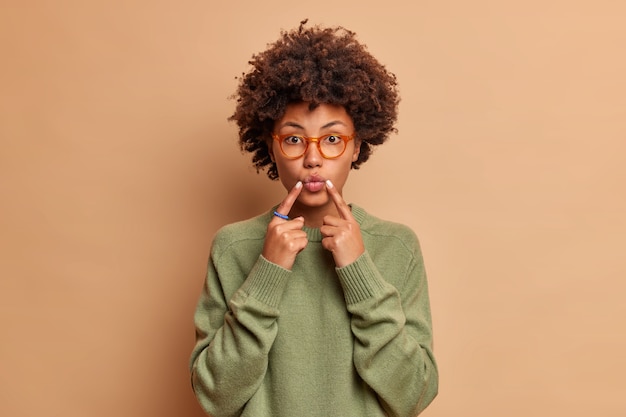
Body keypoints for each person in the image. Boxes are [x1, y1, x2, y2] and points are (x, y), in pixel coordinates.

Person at [189, 19, 438, 417]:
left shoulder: (396, 246)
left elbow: (412, 395)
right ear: (269, 148)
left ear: (357, 147)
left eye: (333, 138)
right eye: (293, 139)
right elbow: (216, 396)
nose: (313, 157)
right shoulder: (234, 247)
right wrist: (267, 272)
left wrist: (361, 272)